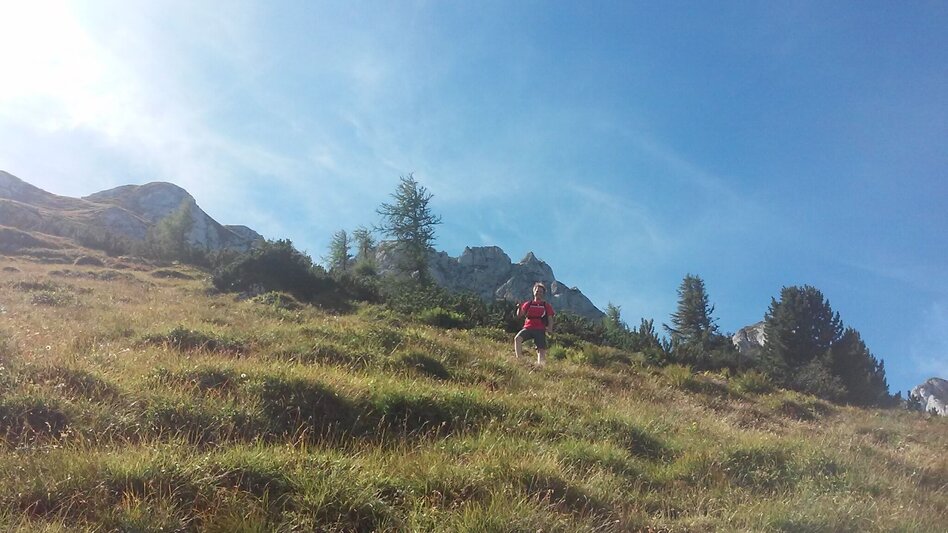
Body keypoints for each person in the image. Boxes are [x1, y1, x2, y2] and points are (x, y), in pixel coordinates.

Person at [514, 282, 555, 365]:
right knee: (517, 339)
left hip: (540, 329)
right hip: (528, 327)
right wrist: (519, 307)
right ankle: (520, 359)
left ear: (543, 294)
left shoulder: (546, 305)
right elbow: (519, 315)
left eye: (540, 292)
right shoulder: (528, 304)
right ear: (534, 292)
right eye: (537, 291)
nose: (538, 293)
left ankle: (541, 366)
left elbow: (550, 318)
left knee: (541, 349)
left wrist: (550, 328)